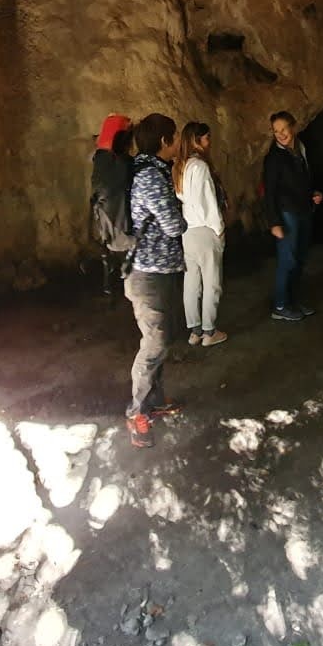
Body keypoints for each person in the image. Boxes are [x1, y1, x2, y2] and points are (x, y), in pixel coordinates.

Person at [124, 113, 187, 448]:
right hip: (148, 275)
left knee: (161, 341)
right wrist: (183, 211)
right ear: (165, 141)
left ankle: (155, 401)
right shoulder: (150, 176)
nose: (178, 142)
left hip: (159, 271)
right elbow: (174, 225)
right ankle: (136, 413)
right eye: (175, 137)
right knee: (154, 344)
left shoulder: (153, 171)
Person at [262, 111, 322, 321]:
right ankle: (280, 305)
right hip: (287, 214)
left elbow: (303, 179)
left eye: (283, 129)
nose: (280, 134)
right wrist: (274, 222)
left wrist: (313, 193)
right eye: (276, 131)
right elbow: (269, 192)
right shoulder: (274, 158)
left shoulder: (301, 149)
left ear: (293, 127)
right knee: (287, 260)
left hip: (303, 210)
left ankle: (293, 301)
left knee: (300, 258)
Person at [174, 122, 228, 348]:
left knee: (192, 283)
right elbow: (207, 203)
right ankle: (209, 331)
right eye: (206, 138)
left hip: (188, 232)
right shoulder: (200, 167)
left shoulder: (180, 166)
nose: (209, 142)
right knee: (212, 283)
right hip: (206, 231)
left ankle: (194, 330)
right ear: (196, 140)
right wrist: (220, 228)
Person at [89, 114, 136, 295]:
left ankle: (110, 287)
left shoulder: (101, 161)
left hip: (106, 222)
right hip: (121, 224)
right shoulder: (121, 164)